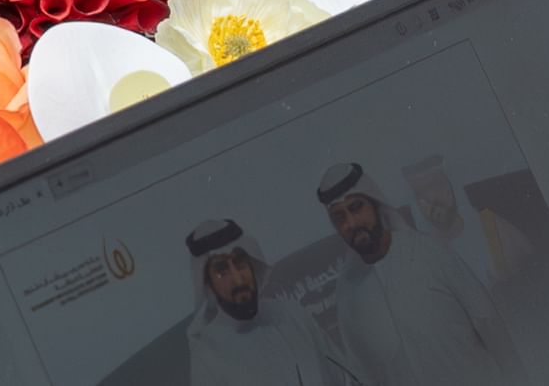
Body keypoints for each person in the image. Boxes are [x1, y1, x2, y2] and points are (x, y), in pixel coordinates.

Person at [306, 160, 501, 385]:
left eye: (356, 207)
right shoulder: (348, 291)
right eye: (339, 217)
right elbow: (364, 374)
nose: (351, 223)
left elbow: (490, 324)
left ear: (375, 204)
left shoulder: (428, 251)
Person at [180, 218, 340, 386]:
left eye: (239, 263)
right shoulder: (208, 355)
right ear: (208, 284)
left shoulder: (289, 313)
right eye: (222, 270)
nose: (238, 279)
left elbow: (343, 375)